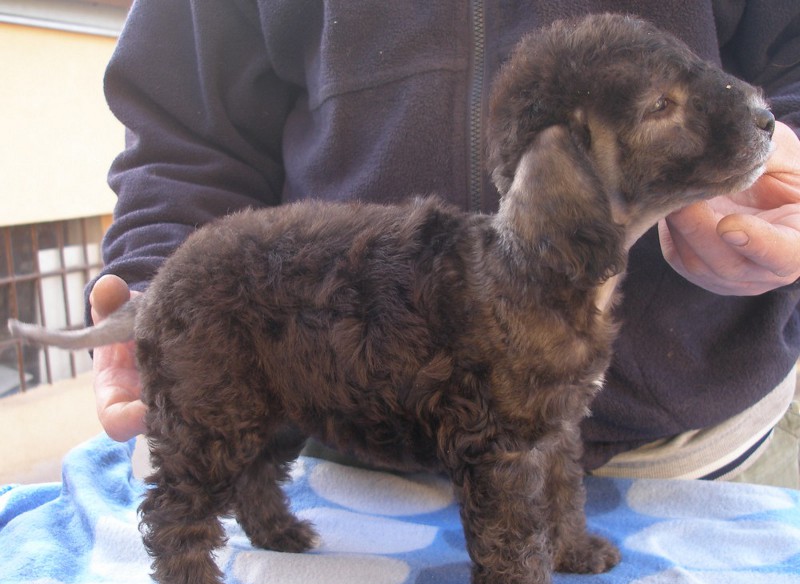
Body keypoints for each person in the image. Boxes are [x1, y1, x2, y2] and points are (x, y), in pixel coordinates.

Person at [87, 1, 800, 487]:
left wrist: (790, 172)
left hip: (705, 458)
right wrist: (170, 280)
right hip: (338, 445)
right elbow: (184, 128)